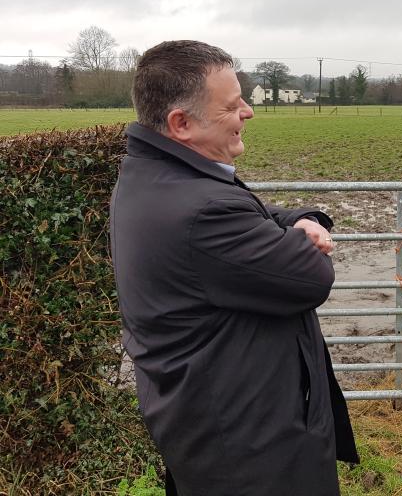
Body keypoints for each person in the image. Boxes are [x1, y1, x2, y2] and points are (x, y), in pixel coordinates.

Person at [110, 40, 358, 496]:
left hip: (211, 427)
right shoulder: (201, 209)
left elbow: (255, 213)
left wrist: (300, 221)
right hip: (253, 451)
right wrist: (301, 235)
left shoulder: (157, 178)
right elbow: (312, 278)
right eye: (231, 104)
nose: (249, 111)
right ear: (181, 123)